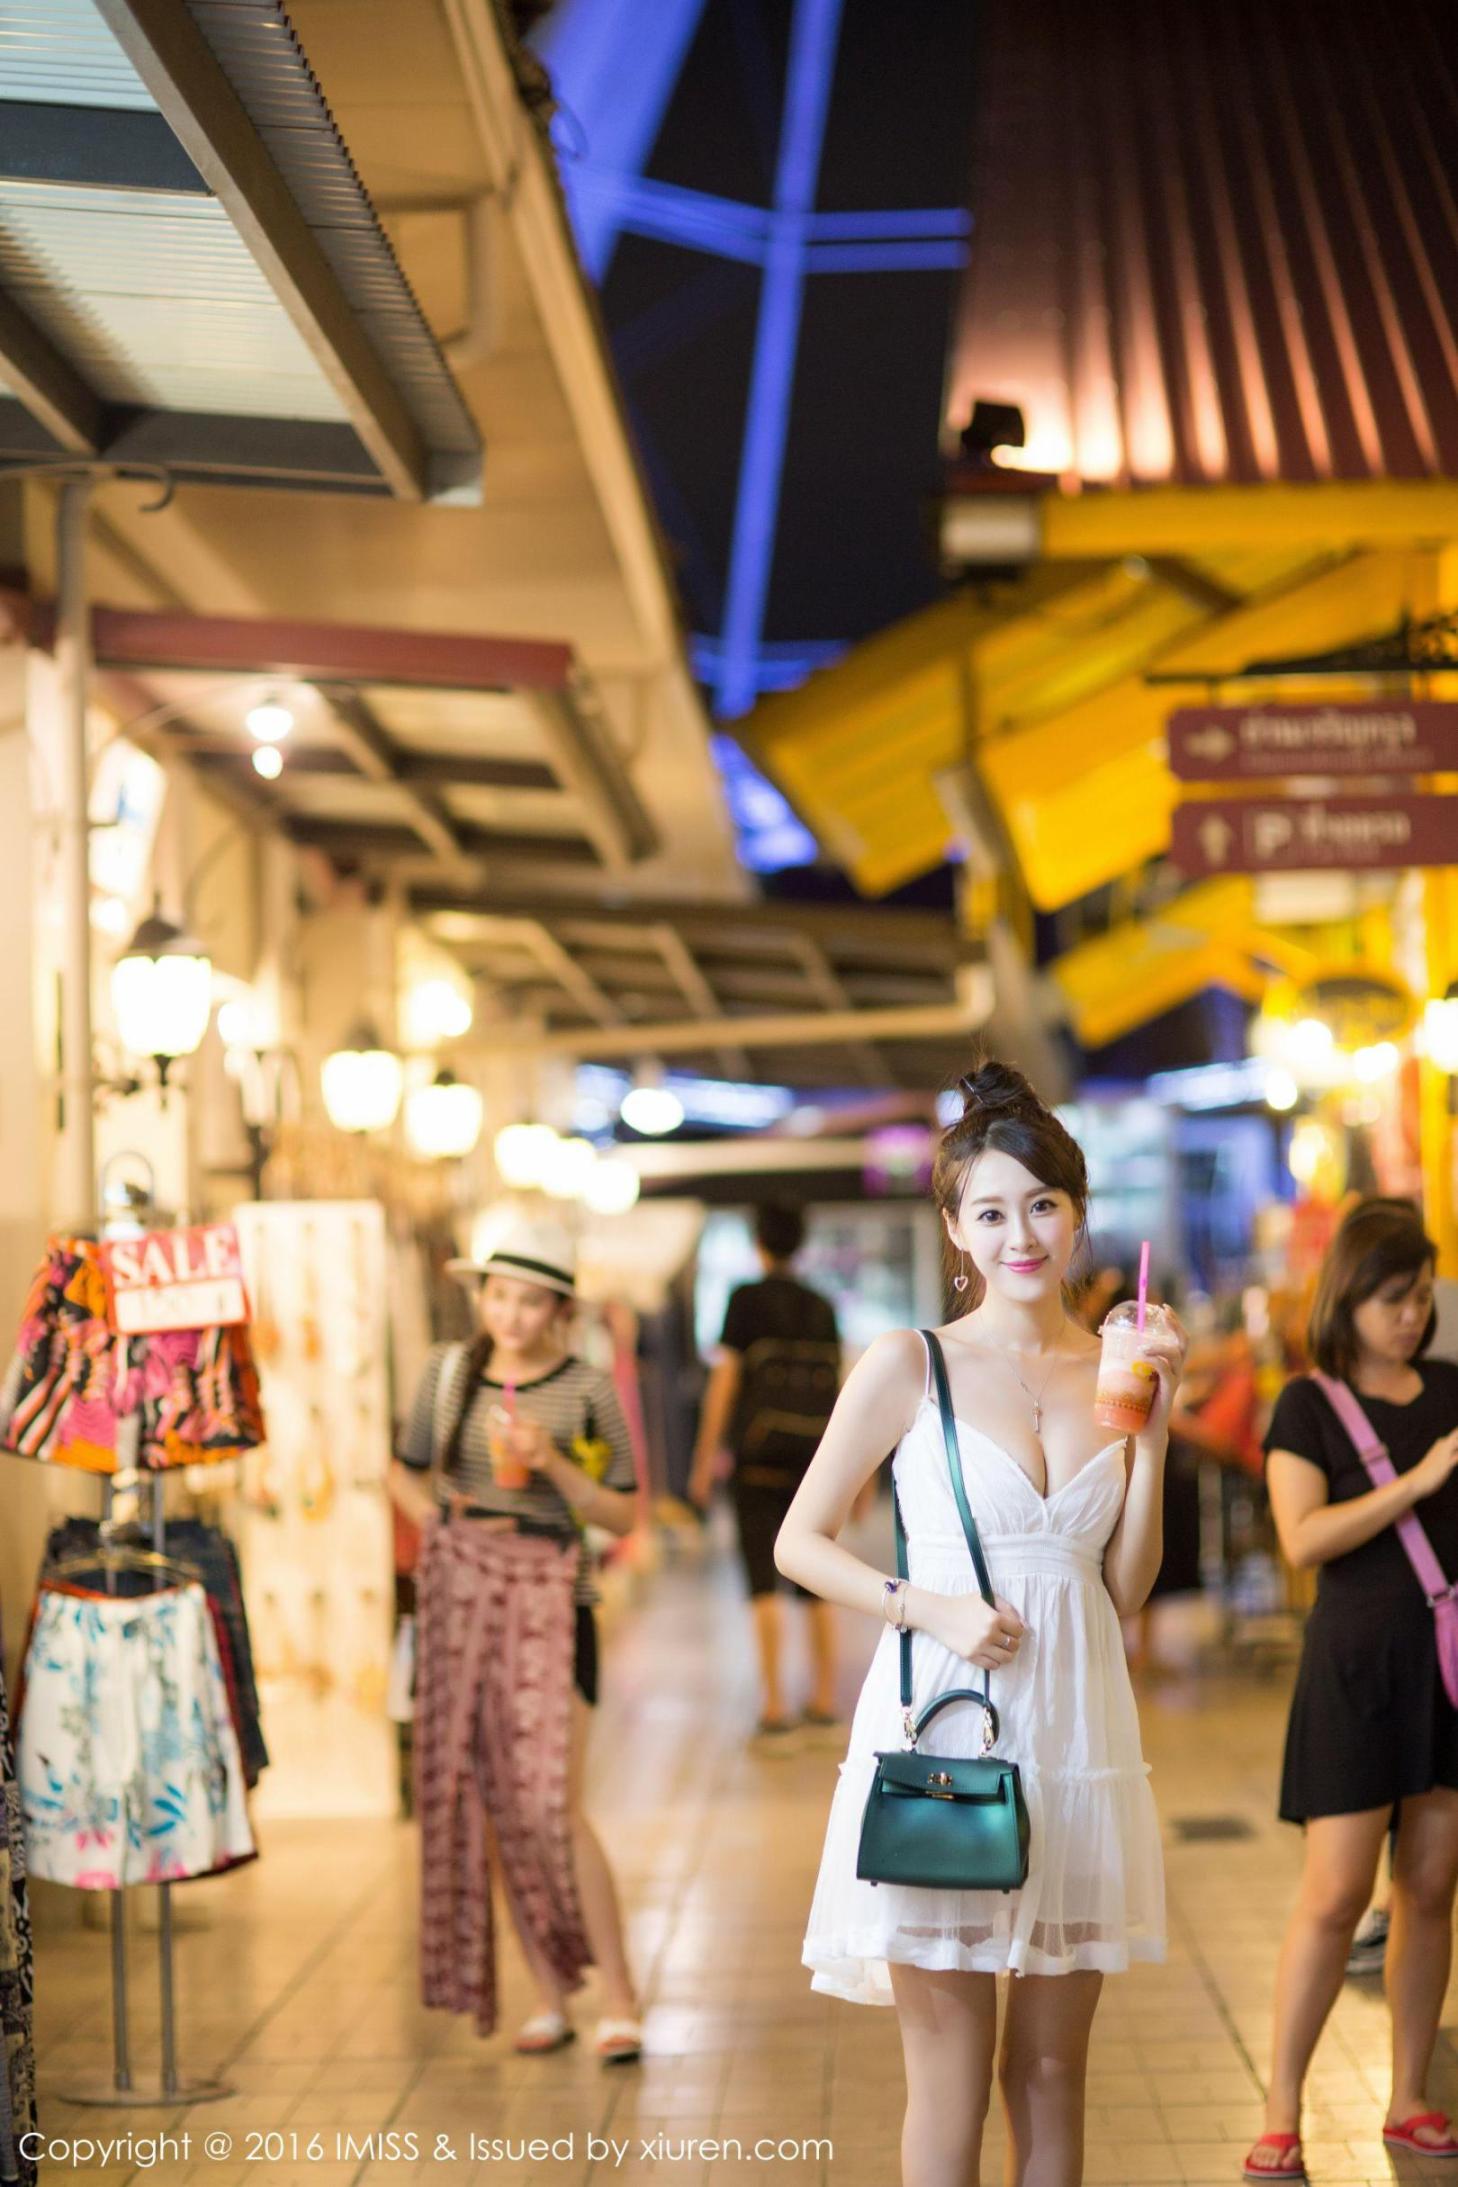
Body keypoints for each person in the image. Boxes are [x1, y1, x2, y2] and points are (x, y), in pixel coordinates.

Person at [775, 1060, 1185, 2187]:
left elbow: (1128, 1587)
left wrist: (1155, 1435)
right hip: (945, 1737)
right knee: (949, 2078)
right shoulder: (909, 1365)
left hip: (1079, 1737)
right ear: (956, 1228)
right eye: (992, 1211)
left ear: (1079, 1214)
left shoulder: (1116, 1369)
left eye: (1042, 1206)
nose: (1022, 1235)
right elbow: (798, 1542)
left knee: (1054, 2076)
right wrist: (934, 1606)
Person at [390, 1213, 645, 2064]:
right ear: (482, 1296)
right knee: (494, 1803)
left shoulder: (585, 1390)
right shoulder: (450, 1374)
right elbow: (400, 1462)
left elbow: (621, 1508)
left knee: (552, 1805)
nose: (512, 1314)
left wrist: (553, 1466)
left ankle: (618, 1995)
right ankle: (549, 1995)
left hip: (554, 1598)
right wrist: (438, 1523)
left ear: (560, 1311)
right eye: (500, 1295)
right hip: (465, 1595)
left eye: (532, 1301)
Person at [1246, 1198, 1458, 2178]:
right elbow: (1303, 1538)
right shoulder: (1308, 1402)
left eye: (1419, 1297)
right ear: (1349, 1297)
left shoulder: (1453, 1388)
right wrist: (1415, 1483)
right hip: (1353, 1667)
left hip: (1448, 1664)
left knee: (1429, 1886)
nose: (1409, 1316)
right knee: (1335, 1895)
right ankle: (1282, 2106)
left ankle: (1409, 2094)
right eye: (1389, 1298)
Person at [689, 1202, 842, 1752]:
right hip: (815, 1462)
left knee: (762, 1578)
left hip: (756, 1460)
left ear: (759, 1243)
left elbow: (725, 1383)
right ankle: (824, 1700)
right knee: (816, 1577)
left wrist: (705, 1459)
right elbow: (844, 1389)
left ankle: (776, 1706)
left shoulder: (744, 1301)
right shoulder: (822, 1306)